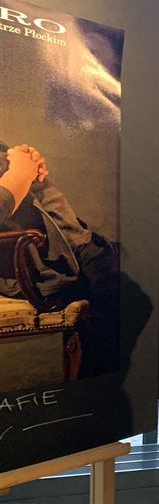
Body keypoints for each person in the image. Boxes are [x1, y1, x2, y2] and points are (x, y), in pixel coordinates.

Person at [0, 140, 121, 376]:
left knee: (143, 270)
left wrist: (24, 162)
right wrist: (19, 172)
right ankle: (101, 388)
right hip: (48, 267)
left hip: (80, 246)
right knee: (121, 292)